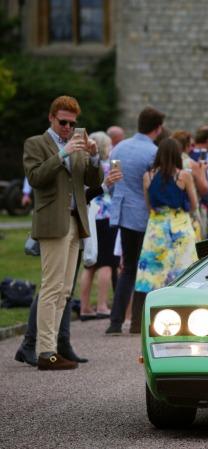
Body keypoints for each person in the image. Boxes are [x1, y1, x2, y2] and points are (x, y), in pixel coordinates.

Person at [22, 95, 104, 369]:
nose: (68, 127)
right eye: (63, 122)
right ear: (51, 118)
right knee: (52, 286)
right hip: (52, 221)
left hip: (75, 220)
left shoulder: (78, 145)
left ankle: (53, 348)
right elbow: (35, 178)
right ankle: (45, 352)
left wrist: (93, 156)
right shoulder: (36, 143)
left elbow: (93, 181)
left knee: (65, 290)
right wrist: (62, 154)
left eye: (72, 123)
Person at [105, 107, 164, 335]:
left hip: (122, 211)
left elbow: (113, 177)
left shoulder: (119, 147)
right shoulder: (152, 152)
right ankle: (139, 321)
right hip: (143, 214)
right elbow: (155, 186)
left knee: (127, 268)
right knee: (145, 266)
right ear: (157, 128)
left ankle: (116, 320)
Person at [133, 138, 198, 296]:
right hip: (180, 224)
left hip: (157, 225)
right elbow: (194, 204)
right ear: (178, 154)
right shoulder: (184, 176)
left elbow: (149, 205)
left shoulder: (148, 175)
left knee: (156, 270)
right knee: (182, 267)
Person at [78, 131, 117, 321]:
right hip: (106, 215)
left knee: (90, 263)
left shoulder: (87, 167)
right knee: (107, 263)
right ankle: (102, 305)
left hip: (91, 214)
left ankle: (84, 306)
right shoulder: (109, 167)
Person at [171, 130, 208, 239]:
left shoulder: (168, 161)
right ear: (186, 146)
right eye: (191, 145)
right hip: (190, 210)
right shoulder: (191, 163)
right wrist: (203, 171)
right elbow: (204, 189)